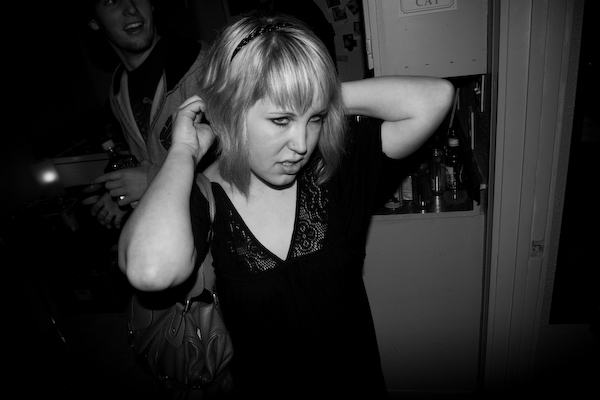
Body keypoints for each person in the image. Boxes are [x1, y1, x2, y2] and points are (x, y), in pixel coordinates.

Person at [119, 11, 454, 399]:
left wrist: (313, 92)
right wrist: (182, 152)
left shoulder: (335, 169)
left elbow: (436, 97)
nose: (302, 143)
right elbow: (150, 270)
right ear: (229, 110)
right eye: (280, 120)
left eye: (315, 118)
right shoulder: (202, 197)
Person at [81, 0, 209, 229]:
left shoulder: (205, 68)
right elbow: (144, 162)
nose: (131, 8)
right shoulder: (117, 88)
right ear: (93, 21)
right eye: (111, 1)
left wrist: (152, 181)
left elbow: (245, 169)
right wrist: (124, 194)